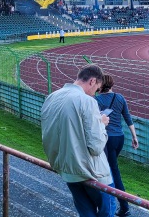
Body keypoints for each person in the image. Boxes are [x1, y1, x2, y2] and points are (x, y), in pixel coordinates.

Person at [41, 64, 116, 217]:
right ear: (92, 81)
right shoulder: (87, 101)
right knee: (107, 210)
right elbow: (96, 146)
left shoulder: (52, 97)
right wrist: (101, 124)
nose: (95, 94)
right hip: (92, 172)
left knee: (85, 212)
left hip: (66, 169)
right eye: (96, 89)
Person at [95, 75, 139, 217]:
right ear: (112, 84)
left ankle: (123, 206)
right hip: (120, 138)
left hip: (107, 139)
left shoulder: (97, 100)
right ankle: (115, 204)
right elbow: (127, 117)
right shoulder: (120, 98)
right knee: (110, 168)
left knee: (112, 172)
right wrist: (134, 136)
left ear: (100, 85)